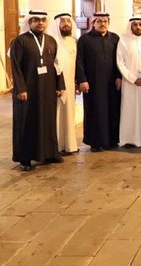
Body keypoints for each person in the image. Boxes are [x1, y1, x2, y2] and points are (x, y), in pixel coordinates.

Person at [10, 10, 66, 171]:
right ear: (29, 22)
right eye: (36, 20)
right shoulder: (20, 41)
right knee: (27, 121)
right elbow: (16, 67)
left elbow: (57, 65)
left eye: (43, 20)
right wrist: (20, 88)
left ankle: (49, 153)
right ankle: (25, 158)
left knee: (48, 119)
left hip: (47, 88)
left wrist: (60, 85)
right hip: (28, 89)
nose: (40, 23)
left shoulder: (50, 41)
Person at [76, 12, 122, 152]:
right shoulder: (84, 39)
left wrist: (119, 76)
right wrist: (82, 80)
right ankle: (95, 141)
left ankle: (112, 140)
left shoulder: (115, 38)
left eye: (105, 21)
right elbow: (79, 61)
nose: (103, 24)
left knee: (112, 110)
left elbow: (119, 60)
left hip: (112, 83)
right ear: (93, 23)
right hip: (93, 83)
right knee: (95, 111)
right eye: (99, 21)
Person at [117, 16, 141, 148]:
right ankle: (129, 138)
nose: (137, 27)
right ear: (130, 26)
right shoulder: (123, 41)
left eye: (140, 24)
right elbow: (120, 62)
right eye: (135, 25)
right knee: (130, 110)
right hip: (130, 83)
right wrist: (133, 79)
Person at [47, 12, 79, 155]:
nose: (66, 24)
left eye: (68, 21)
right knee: (57, 114)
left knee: (69, 113)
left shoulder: (73, 41)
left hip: (71, 84)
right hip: (55, 84)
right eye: (63, 21)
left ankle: (70, 145)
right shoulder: (51, 41)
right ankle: (57, 146)